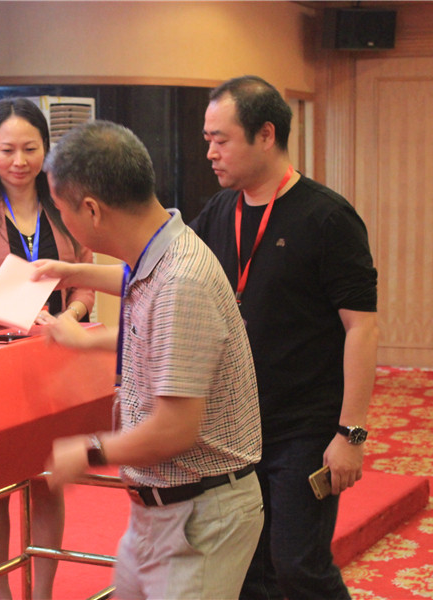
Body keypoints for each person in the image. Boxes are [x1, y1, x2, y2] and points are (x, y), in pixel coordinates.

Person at [32, 120, 265, 600]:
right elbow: (140, 296)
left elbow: (174, 430)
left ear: (92, 210)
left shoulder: (181, 281)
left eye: (60, 209)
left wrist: (89, 451)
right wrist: (71, 272)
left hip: (198, 517)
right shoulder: (160, 252)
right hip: (162, 510)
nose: (62, 221)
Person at [190, 75, 379, 600]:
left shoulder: (327, 217)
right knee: (247, 571)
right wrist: (72, 272)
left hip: (305, 427)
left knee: (298, 565)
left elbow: (362, 328)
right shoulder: (220, 212)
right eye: (207, 139)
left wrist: (351, 434)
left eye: (221, 139)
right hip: (236, 427)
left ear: (266, 134)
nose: (210, 153)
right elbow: (163, 266)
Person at [0, 97, 94, 599]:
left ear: (46, 149)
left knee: (48, 484)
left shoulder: (64, 205)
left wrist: (69, 316)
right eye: (7, 149)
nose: (19, 160)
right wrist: (20, 317)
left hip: (54, 362)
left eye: (30, 148)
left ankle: (42, 593)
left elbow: (85, 281)